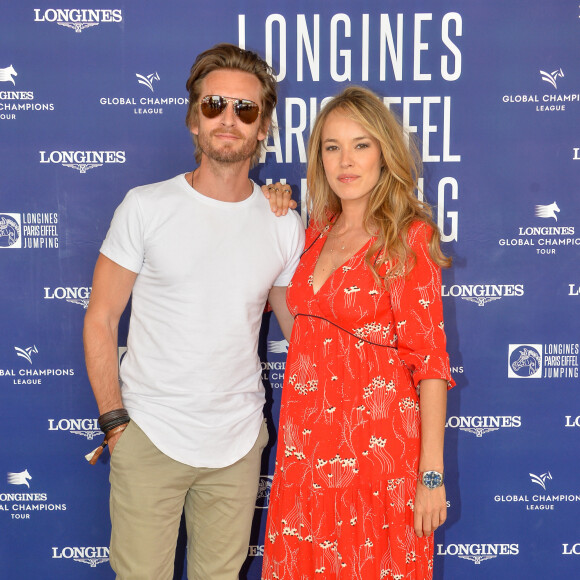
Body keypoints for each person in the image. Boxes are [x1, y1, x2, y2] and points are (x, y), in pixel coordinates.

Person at [83, 43, 304, 580]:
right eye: (214, 105)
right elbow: (101, 317)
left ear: (263, 128)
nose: (228, 119)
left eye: (245, 109)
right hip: (150, 437)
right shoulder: (146, 207)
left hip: (236, 445)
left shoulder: (282, 222)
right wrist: (116, 423)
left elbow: (299, 330)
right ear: (193, 119)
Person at [262, 86, 455, 579]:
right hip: (305, 451)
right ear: (319, 158)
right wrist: (266, 208)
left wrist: (430, 476)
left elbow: (430, 362)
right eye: (332, 146)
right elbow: (305, 329)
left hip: (376, 454)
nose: (345, 161)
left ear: (384, 153)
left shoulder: (409, 237)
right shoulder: (315, 231)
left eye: (361, 145)